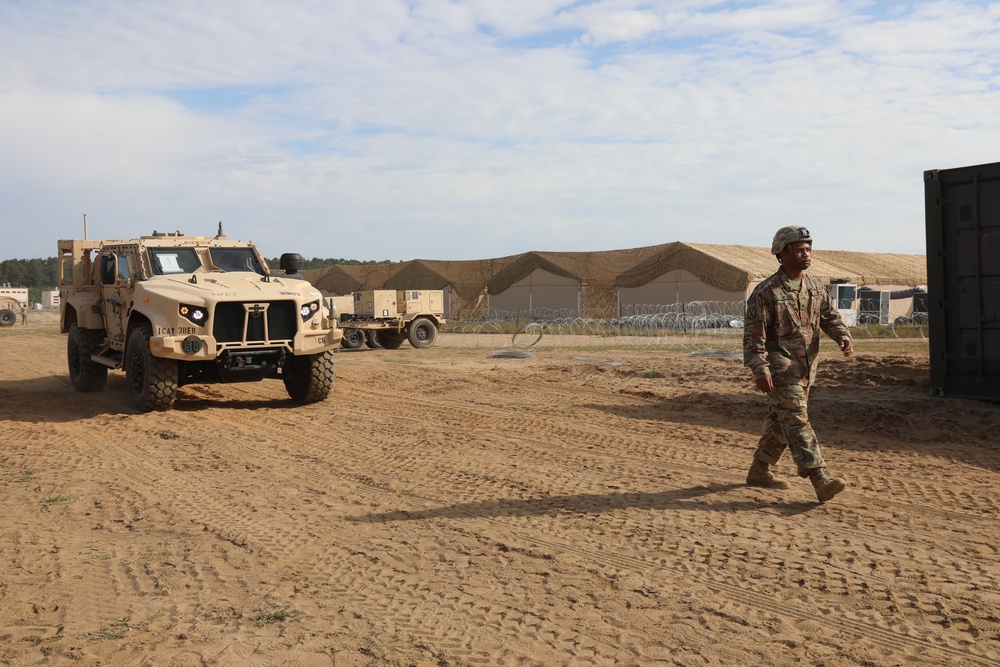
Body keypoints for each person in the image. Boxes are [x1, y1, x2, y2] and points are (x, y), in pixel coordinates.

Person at [743, 226, 854, 503]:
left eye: (808, 249)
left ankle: (760, 470)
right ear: (783, 253)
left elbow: (829, 317)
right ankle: (820, 478)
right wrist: (760, 368)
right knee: (796, 420)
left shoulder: (815, 287)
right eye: (800, 249)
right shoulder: (766, 291)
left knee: (782, 422)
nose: (807, 254)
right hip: (780, 369)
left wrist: (842, 336)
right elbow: (754, 337)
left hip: (807, 369)